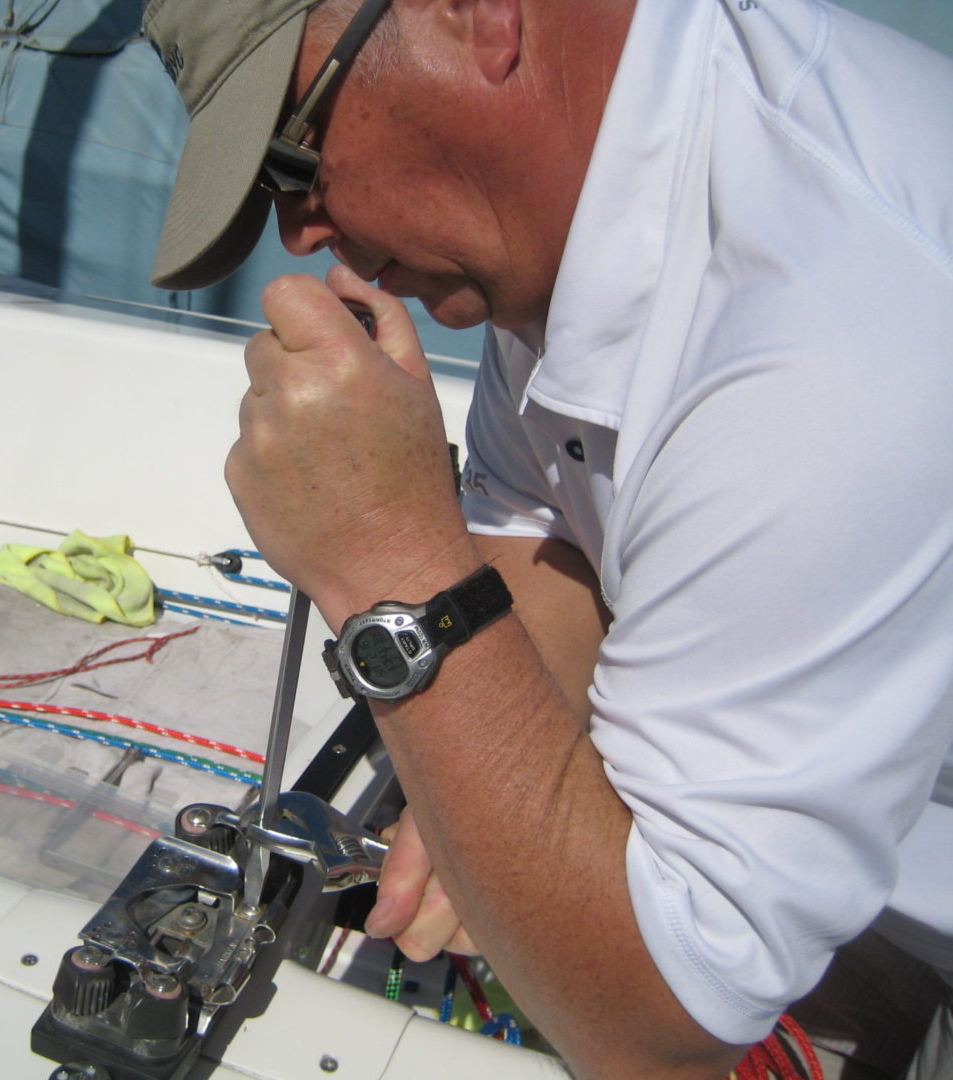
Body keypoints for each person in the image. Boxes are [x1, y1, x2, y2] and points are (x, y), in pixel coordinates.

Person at [140, 0, 953, 1077]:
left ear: (472, 16)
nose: (301, 233)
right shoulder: (574, 212)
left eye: (296, 156)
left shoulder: (829, 322)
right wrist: (486, 805)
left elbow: (666, 1028)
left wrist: (383, 557)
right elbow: (543, 529)